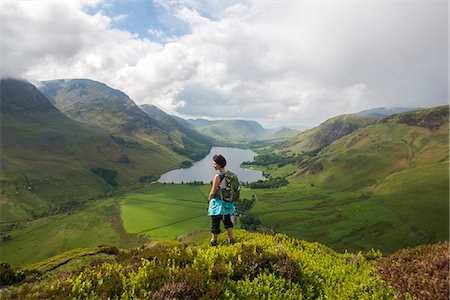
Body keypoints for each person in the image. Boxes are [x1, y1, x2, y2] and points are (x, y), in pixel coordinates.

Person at [207, 154, 236, 246]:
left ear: (219, 164)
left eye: (215, 164)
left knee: (215, 222)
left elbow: (213, 191)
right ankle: (231, 240)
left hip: (218, 204)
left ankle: (213, 242)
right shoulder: (230, 174)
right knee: (227, 221)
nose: (213, 165)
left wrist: (209, 199)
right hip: (227, 203)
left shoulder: (218, 176)